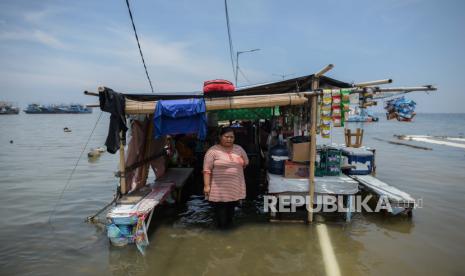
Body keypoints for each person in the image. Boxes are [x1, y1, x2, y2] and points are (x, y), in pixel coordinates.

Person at [203, 126, 249, 229]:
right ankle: (222, 235)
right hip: (218, 189)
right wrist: (206, 186)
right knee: (221, 214)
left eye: (231, 137)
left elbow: (246, 163)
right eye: (226, 136)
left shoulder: (239, 149)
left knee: (231, 212)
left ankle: (227, 234)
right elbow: (206, 170)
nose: (229, 139)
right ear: (220, 137)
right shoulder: (212, 151)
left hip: (234, 187)